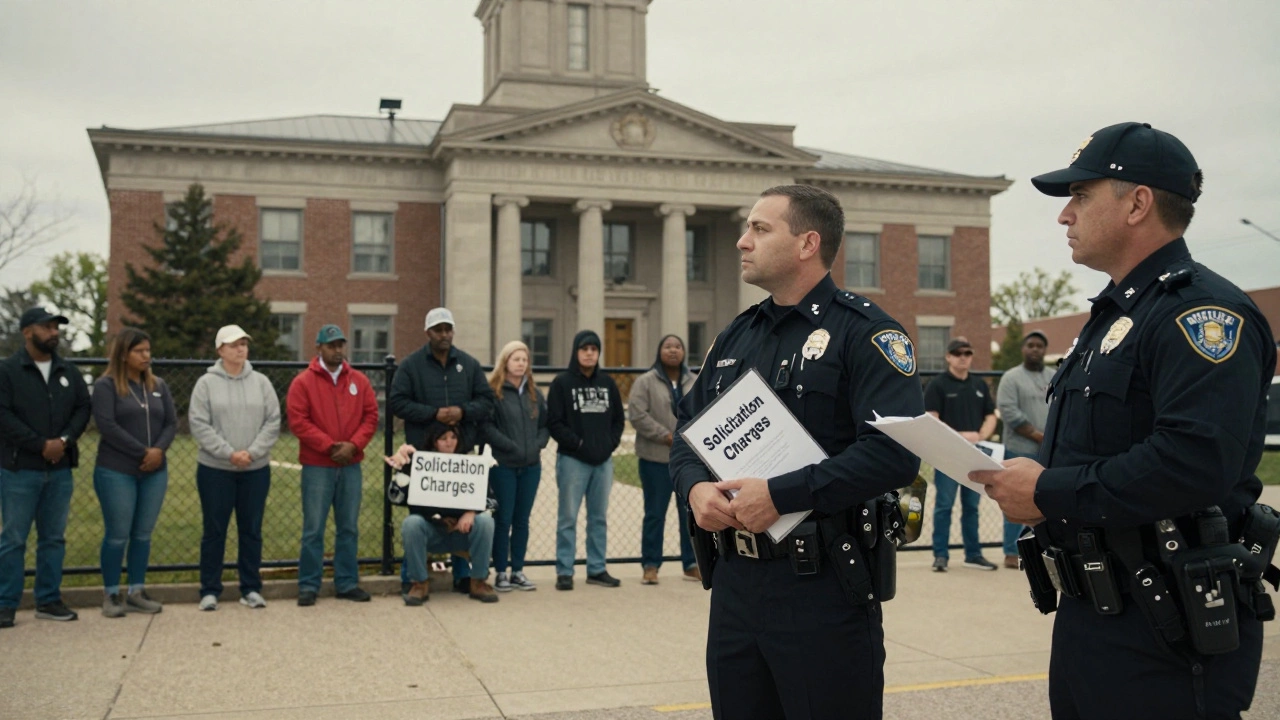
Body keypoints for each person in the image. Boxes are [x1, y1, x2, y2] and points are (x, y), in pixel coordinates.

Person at [974, 122, 1276, 719]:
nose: (1065, 215)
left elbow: (1194, 463)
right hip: (1097, 611)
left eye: (1081, 195)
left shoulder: (1200, 314)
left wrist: (1048, 489)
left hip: (1166, 628)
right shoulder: (1115, 317)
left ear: (1138, 202)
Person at [669, 185, 924, 720]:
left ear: (808, 243)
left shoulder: (865, 333)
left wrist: (782, 495)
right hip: (737, 587)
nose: (742, 241)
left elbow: (895, 455)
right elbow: (688, 433)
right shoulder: (736, 336)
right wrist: (694, 488)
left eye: (760, 229)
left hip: (824, 587)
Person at [389, 307, 495, 592]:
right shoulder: (411, 366)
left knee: (466, 515)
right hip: (424, 459)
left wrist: (462, 412)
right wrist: (433, 413)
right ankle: (413, 579)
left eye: (448, 329)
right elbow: (397, 402)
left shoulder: (469, 365)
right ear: (428, 333)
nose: (444, 334)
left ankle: (465, 578)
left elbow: (486, 402)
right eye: (438, 330)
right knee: (420, 517)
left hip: (460, 457)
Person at [0, 307, 91, 628]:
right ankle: (6, 603)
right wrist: (40, 445)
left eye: (56, 327)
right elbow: (3, 417)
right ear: (27, 332)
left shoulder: (68, 371)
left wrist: (63, 441)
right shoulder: (8, 371)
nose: (54, 332)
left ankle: (48, 599)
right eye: (47, 327)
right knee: (13, 538)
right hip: (19, 469)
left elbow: (83, 407)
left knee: (53, 537)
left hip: (60, 469)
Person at [188, 325, 281, 611]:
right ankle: (210, 589)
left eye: (243, 344)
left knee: (251, 529)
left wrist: (251, 453)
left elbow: (273, 420)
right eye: (233, 345)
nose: (240, 349)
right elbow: (199, 424)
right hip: (215, 470)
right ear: (220, 351)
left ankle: (251, 588)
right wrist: (229, 454)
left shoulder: (262, 383)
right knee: (214, 529)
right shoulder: (206, 384)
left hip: (255, 470)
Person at [286, 324, 379, 607]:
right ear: (319, 348)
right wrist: (329, 446)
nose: (338, 350)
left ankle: (347, 582)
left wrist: (354, 445)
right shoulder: (303, 383)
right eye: (331, 346)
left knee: (348, 527)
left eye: (341, 345)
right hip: (317, 466)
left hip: (351, 465)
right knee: (314, 528)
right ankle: (309, 585)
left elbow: (371, 415)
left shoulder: (359, 381)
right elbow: (299, 421)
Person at [91, 328, 177, 618]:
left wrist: (158, 452)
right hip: (117, 470)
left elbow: (171, 423)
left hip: (154, 472)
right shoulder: (106, 386)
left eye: (148, 351)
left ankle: (137, 591)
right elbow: (107, 426)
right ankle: (111, 594)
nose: (146, 356)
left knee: (142, 534)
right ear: (124, 354)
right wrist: (144, 453)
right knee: (117, 534)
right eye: (140, 351)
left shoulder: (158, 385)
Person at [546, 330, 625, 591]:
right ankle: (564, 570)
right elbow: (554, 423)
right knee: (567, 518)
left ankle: (596, 568)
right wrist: (579, 445)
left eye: (594, 348)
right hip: (572, 461)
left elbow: (618, 421)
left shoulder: (608, 383)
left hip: (602, 463)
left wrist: (608, 445)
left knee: (598, 518)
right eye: (584, 348)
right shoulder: (561, 383)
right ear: (576, 352)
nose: (590, 353)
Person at [387, 422, 499, 605]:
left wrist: (472, 511)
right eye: (443, 438)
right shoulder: (421, 464)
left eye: (453, 437)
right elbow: (395, 498)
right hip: (433, 531)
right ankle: (419, 583)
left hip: (462, 532)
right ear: (434, 441)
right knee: (411, 523)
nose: (449, 443)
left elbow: (493, 501)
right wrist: (403, 469)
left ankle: (478, 581)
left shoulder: (469, 465)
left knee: (486, 521)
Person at [627, 334, 698, 585]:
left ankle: (691, 563)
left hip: (688, 461)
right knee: (655, 514)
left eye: (677, 347)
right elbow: (637, 414)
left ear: (683, 352)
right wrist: (665, 435)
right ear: (659, 351)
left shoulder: (694, 380)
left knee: (689, 514)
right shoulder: (646, 381)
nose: (673, 351)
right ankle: (650, 565)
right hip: (655, 459)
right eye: (668, 346)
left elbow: (705, 408)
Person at [924, 337, 998, 572]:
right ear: (948, 357)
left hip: (975, 456)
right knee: (944, 505)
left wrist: (981, 434)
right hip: (948, 456)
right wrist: (960, 437)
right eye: (957, 353)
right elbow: (932, 419)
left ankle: (973, 555)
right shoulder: (937, 384)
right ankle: (940, 556)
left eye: (967, 353)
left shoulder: (979, 385)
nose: (963, 357)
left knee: (972, 506)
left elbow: (990, 415)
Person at [483, 340, 548, 592]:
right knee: (503, 518)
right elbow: (487, 427)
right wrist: (508, 446)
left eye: (524, 360)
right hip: (504, 466)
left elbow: (545, 424)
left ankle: (517, 570)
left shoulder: (535, 394)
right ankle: (500, 571)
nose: (521, 364)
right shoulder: (494, 392)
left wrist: (537, 445)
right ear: (505, 362)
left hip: (531, 466)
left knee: (522, 519)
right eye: (516, 359)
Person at [994, 330, 1051, 569]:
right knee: (1015, 500)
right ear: (1023, 349)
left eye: (1040, 345)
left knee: (1047, 503)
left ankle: (1042, 551)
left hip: (1048, 453)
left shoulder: (1054, 375)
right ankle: (1011, 552)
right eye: (1031, 345)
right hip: (1021, 451)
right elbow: (1009, 413)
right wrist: (1039, 436)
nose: (1035, 349)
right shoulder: (1011, 377)